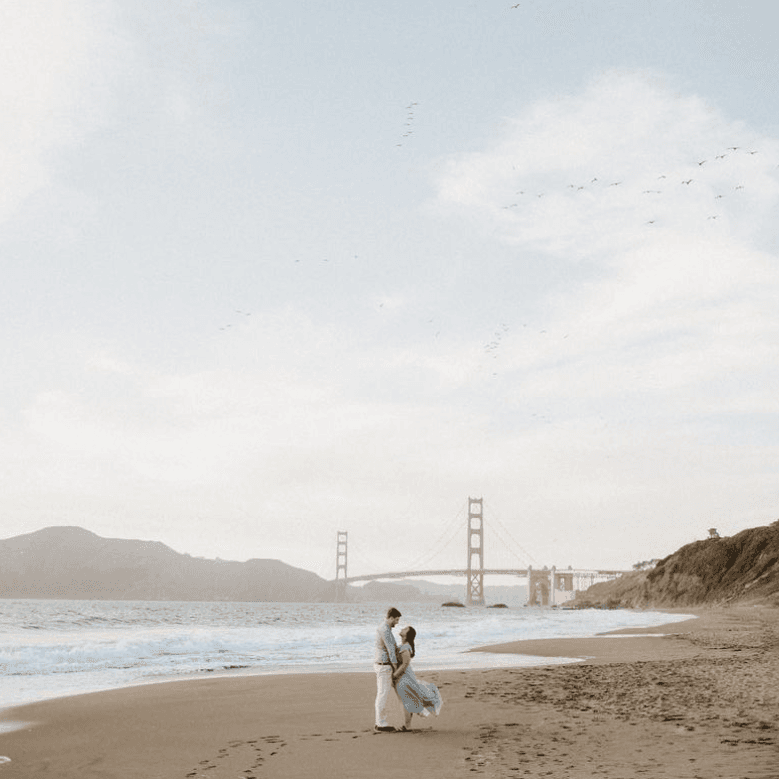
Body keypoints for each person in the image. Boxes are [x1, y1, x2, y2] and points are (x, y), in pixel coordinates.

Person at [392, 625, 443, 731]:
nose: (402, 629)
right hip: (404, 677)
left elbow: (405, 664)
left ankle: (407, 726)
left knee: (406, 701)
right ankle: (407, 725)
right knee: (408, 700)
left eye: (405, 629)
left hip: (404, 677)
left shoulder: (405, 647)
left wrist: (394, 676)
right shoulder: (403, 646)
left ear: (407, 635)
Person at [374, 607, 401, 732]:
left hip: (382, 665)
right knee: (383, 694)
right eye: (396, 620)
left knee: (382, 693)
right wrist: (396, 668)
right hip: (384, 665)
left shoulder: (384, 628)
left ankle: (380, 721)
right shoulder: (385, 630)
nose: (397, 622)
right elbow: (391, 651)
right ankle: (380, 723)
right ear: (390, 618)